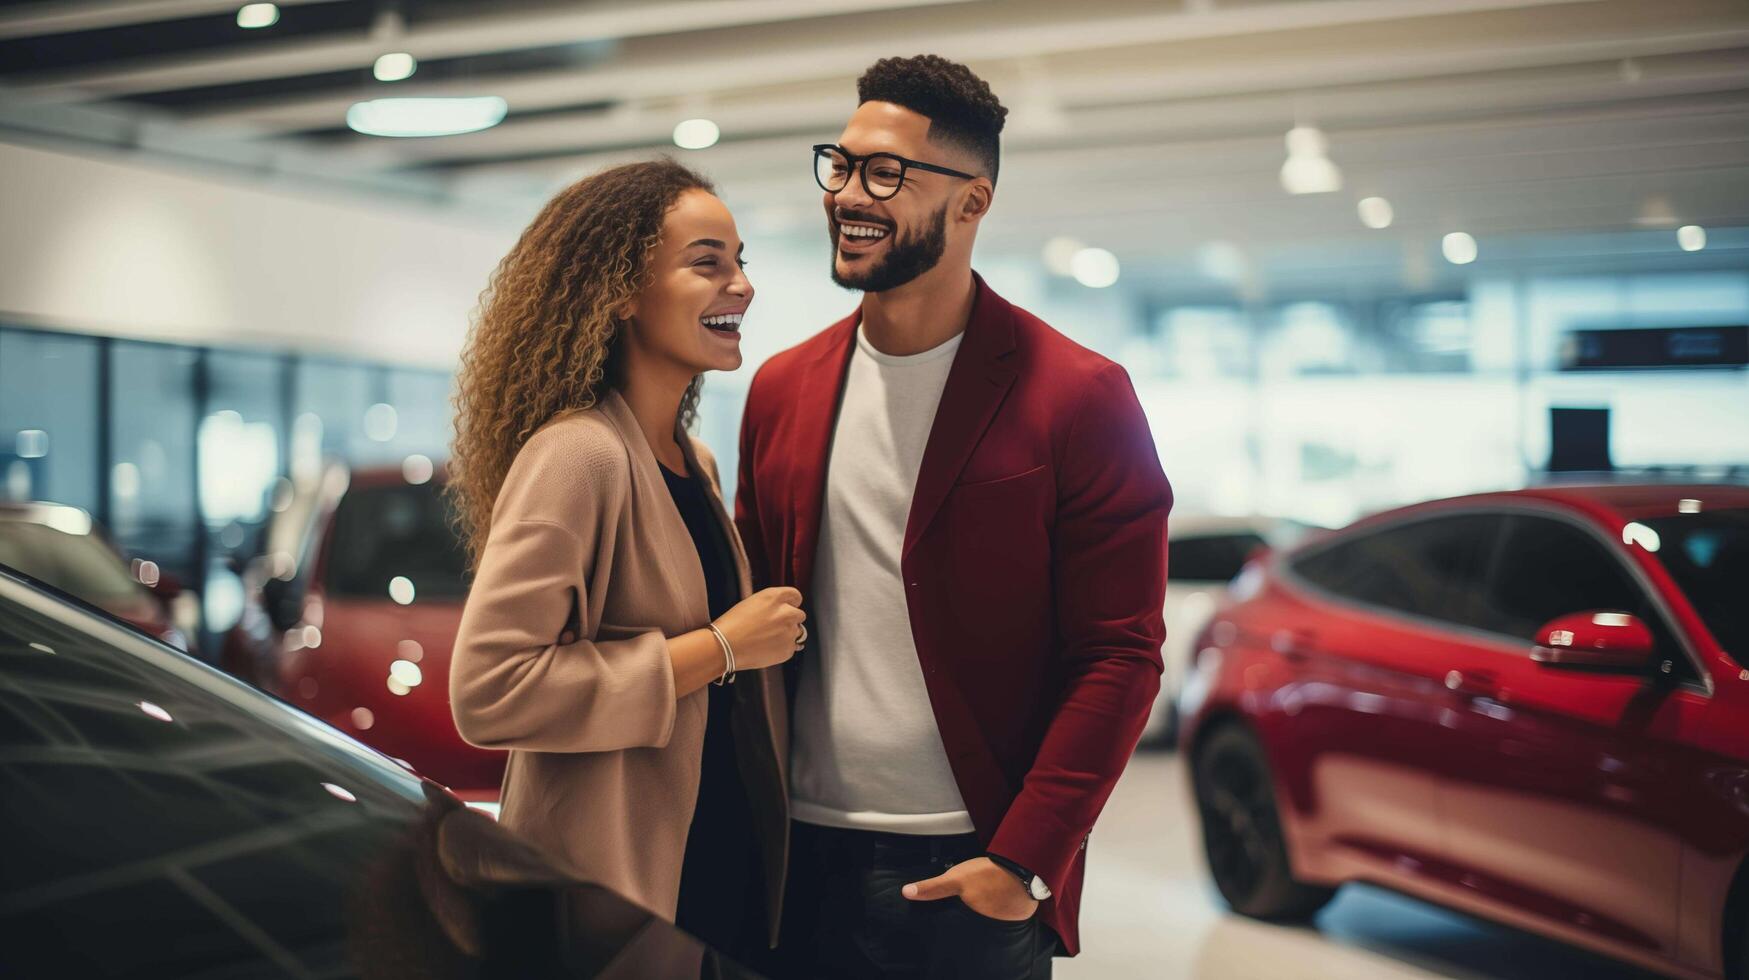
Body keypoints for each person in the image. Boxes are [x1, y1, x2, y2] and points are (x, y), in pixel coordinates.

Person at [734, 55, 1173, 979]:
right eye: (842, 164)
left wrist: (1025, 862)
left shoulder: (1080, 396)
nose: (851, 193)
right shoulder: (781, 389)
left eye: (886, 172)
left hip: (964, 865)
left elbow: (1118, 653)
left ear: (971, 203)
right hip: (792, 858)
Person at [447, 158, 803, 964]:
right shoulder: (578, 456)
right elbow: (489, 690)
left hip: (712, 873)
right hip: (613, 900)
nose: (741, 284)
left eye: (740, 261)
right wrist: (718, 650)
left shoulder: (693, 463)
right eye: (707, 262)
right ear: (615, 291)